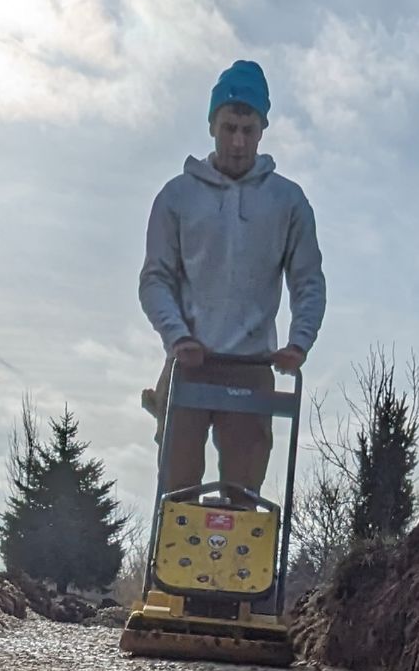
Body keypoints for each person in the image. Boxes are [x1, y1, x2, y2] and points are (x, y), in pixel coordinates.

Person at [138, 59, 326, 500]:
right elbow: (155, 279)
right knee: (177, 491)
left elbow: (308, 281)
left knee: (244, 496)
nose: (238, 141)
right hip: (190, 364)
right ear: (211, 126)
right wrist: (176, 335)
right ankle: (170, 569)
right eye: (228, 128)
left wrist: (299, 342)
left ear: (262, 129)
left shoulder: (287, 202)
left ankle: (242, 570)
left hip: (253, 368)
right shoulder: (177, 197)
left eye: (248, 129)